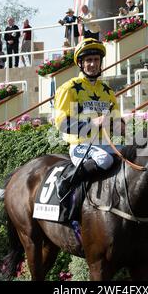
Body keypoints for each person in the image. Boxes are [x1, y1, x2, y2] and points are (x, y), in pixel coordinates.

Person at [54, 38, 124, 197]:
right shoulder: (69, 88)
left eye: (96, 60)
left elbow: (117, 121)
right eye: (89, 60)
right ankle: (67, 181)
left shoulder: (107, 91)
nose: (93, 64)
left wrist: (119, 125)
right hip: (81, 145)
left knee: (134, 155)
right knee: (104, 160)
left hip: (106, 143)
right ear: (81, 63)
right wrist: (93, 122)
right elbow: (62, 123)